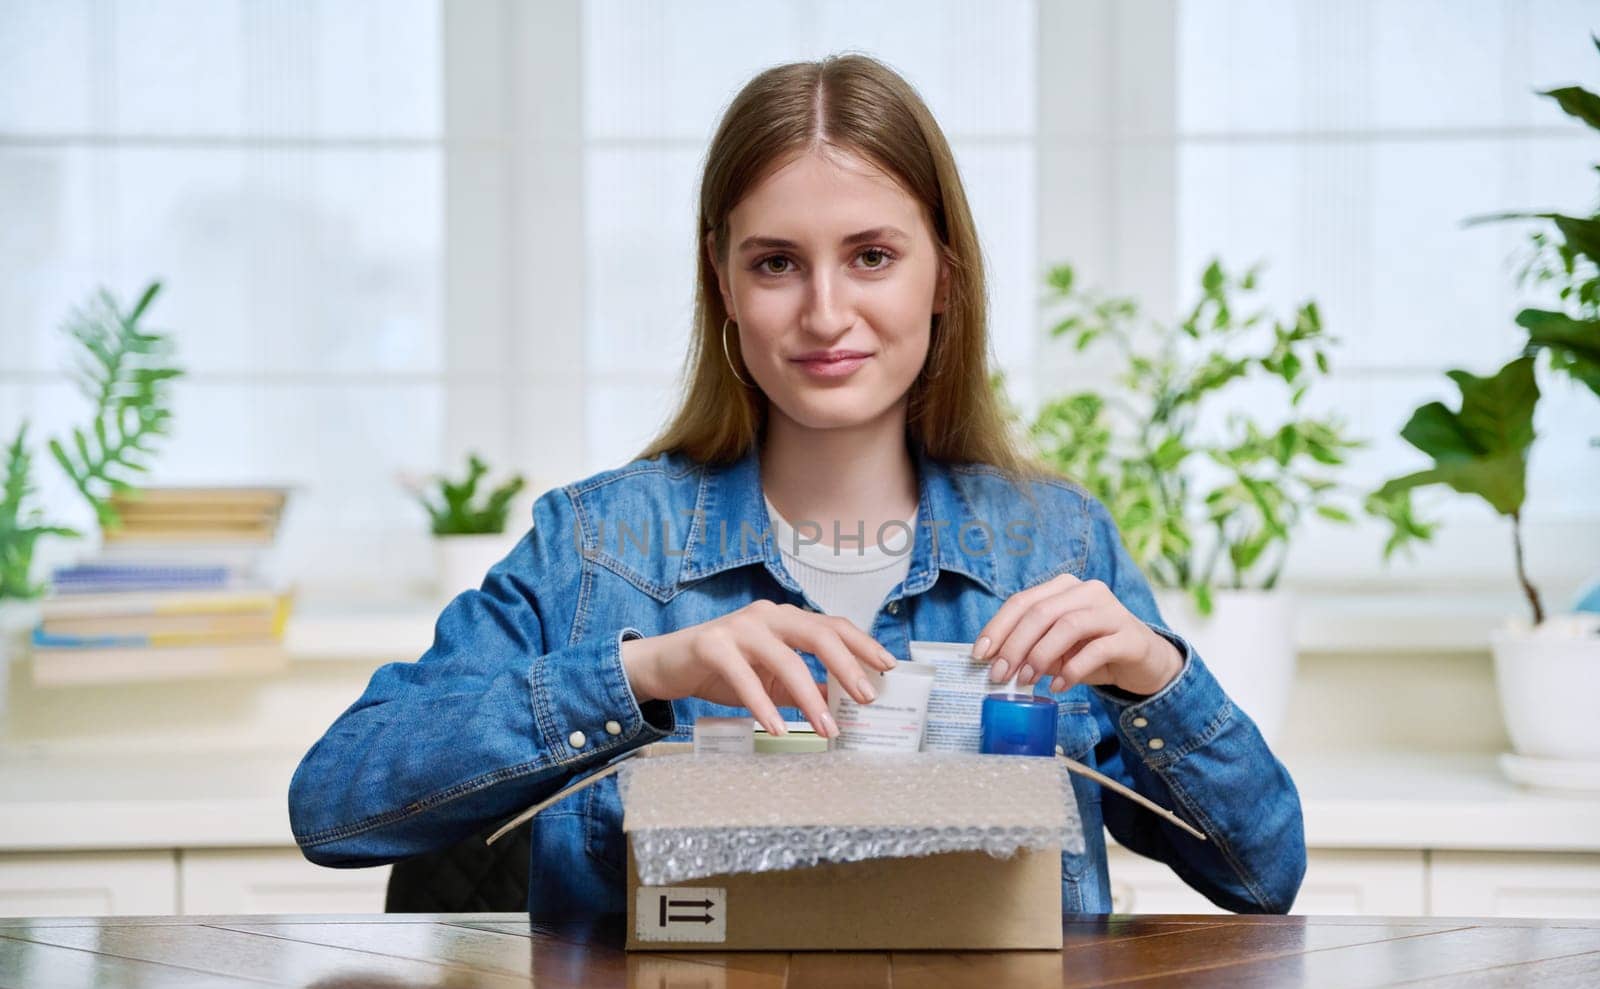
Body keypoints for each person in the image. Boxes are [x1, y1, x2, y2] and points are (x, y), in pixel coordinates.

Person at [288, 54, 1306, 917]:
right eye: (777, 262)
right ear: (723, 282)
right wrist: (643, 672)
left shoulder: (1057, 545)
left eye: (871, 256)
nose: (826, 313)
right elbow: (333, 803)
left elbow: (1264, 872)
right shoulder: (595, 546)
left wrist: (1151, 671)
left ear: (941, 276)